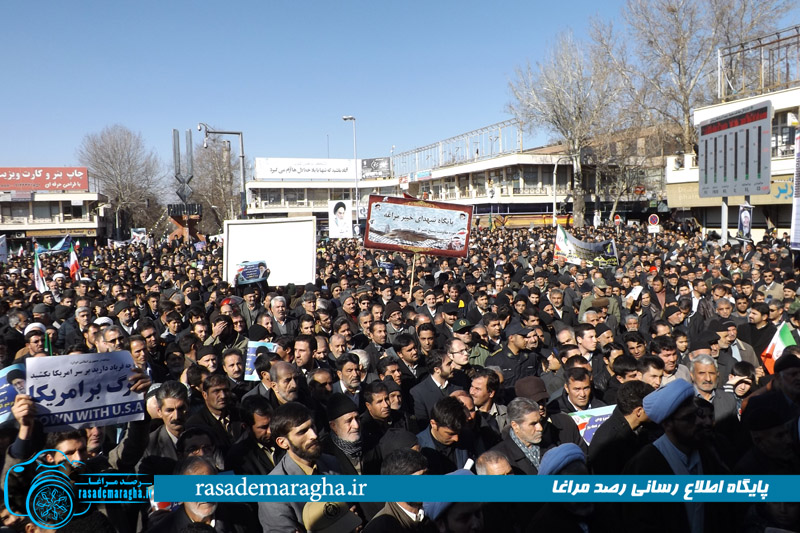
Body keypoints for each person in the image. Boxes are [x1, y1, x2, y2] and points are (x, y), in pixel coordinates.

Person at [257, 402, 340, 533]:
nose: (313, 435)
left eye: (312, 426)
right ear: (282, 442)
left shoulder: (332, 463)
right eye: (302, 432)